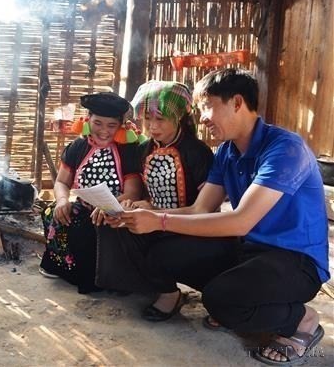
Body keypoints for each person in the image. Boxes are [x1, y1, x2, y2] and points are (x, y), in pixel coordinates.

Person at [114, 68, 329, 365]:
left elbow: (241, 220)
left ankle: (301, 320)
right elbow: (199, 210)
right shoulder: (227, 152)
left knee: (219, 301)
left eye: (207, 106)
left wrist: (160, 220)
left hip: (295, 261)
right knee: (163, 254)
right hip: (249, 250)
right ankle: (238, 297)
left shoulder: (284, 148)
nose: (202, 117)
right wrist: (144, 213)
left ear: (237, 102)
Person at [95, 81, 237, 321]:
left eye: (160, 119)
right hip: (153, 219)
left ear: (178, 117)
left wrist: (155, 212)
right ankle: (157, 287)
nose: (152, 127)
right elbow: (139, 194)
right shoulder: (142, 150)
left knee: (164, 251)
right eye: (147, 120)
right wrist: (128, 206)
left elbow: (207, 209)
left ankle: (173, 292)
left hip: (190, 227)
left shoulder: (197, 152)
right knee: (114, 225)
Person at [39, 92, 143, 294]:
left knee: (93, 226)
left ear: (121, 125)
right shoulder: (78, 146)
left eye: (111, 125)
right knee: (54, 213)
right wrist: (62, 200)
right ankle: (65, 268)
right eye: (98, 123)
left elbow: (133, 192)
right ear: (88, 120)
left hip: (116, 210)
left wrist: (107, 207)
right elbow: (61, 181)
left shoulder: (128, 150)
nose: (103, 131)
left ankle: (100, 279)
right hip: (84, 205)